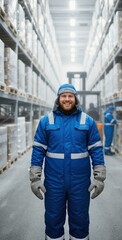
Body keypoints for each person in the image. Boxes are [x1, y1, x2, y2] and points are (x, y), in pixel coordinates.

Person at [29, 83, 106, 240]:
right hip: (54, 182)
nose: (67, 99)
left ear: (75, 99)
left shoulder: (87, 121)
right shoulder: (46, 121)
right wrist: (35, 178)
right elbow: (38, 149)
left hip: (80, 182)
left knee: (80, 220)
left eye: (70, 96)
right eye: (63, 96)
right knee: (53, 219)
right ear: (58, 99)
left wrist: (99, 177)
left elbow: (96, 149)